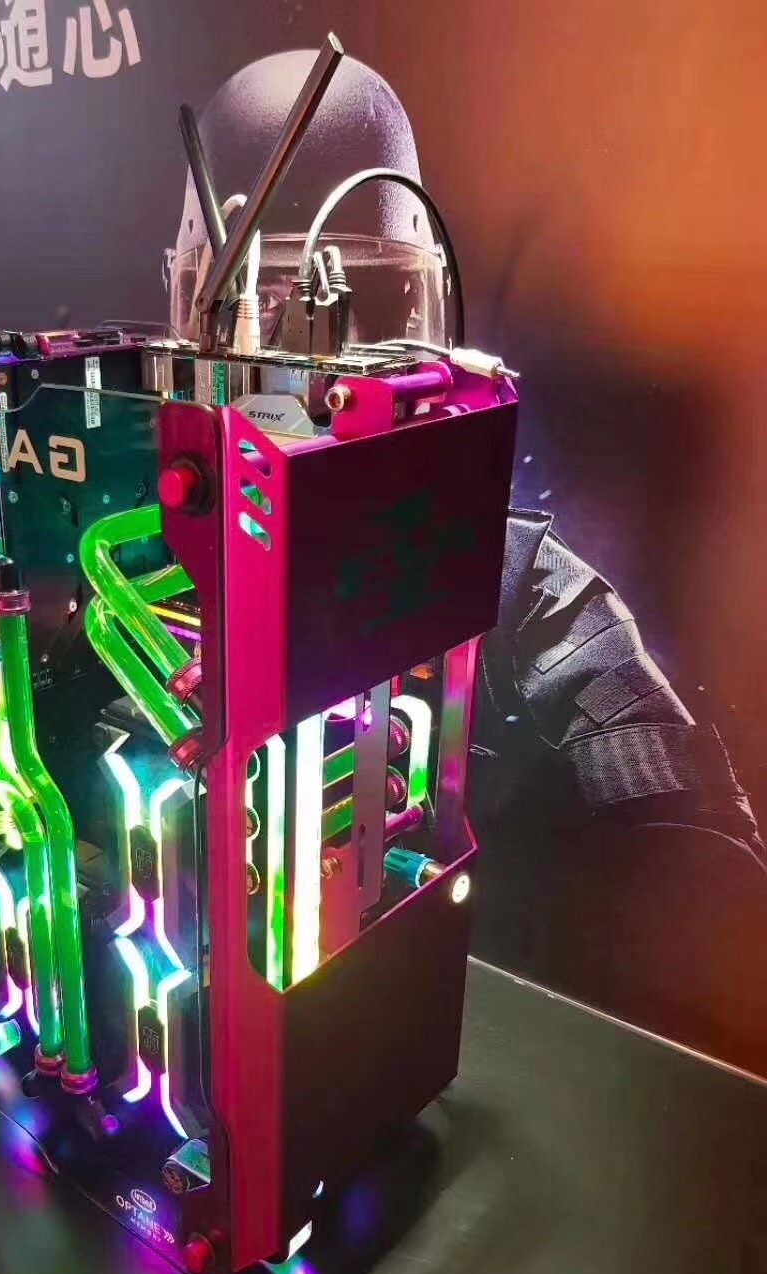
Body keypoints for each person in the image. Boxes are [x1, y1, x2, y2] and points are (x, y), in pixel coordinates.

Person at [164, 50, 766, 1074]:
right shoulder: (144, 555)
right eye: (262, 326)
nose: (306, 378)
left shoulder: (520, 583)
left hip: (442, 1040)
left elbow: (707, 867)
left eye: (351, 315)